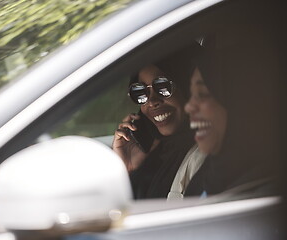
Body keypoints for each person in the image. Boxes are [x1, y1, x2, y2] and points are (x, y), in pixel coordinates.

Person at [184, 36, 280, 196]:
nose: (188, 107)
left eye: (203, 94)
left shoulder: (264, 193)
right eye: (191, 94)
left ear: (239, 103)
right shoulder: (210, 173)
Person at [112, 47, 205, 199]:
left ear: (188, 87)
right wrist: (127, 170)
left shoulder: (204, 157)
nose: (152, 101)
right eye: (140, 92)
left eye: (162, 86)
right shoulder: (157, 154)